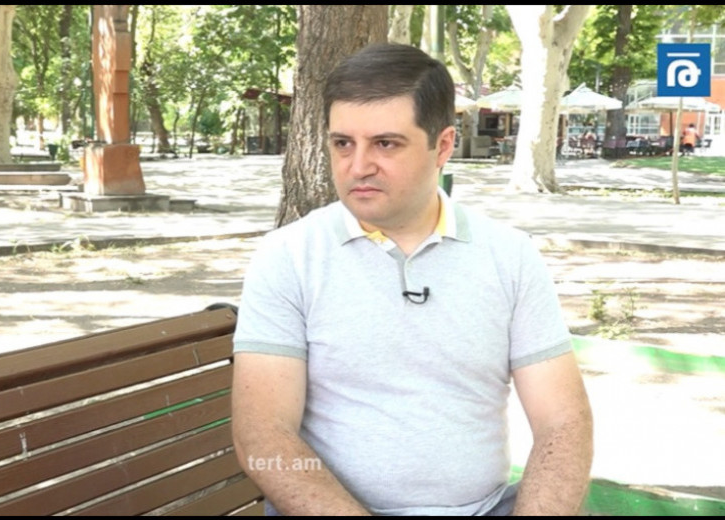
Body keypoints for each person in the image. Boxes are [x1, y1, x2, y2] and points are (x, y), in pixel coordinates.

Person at [231, 42, 593, 516]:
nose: (358, 166)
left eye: (385, 143)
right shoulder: (289, 257)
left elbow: (563, 422)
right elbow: (264, 434)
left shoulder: (510, 256)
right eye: (343, 143)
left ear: (442, 145)